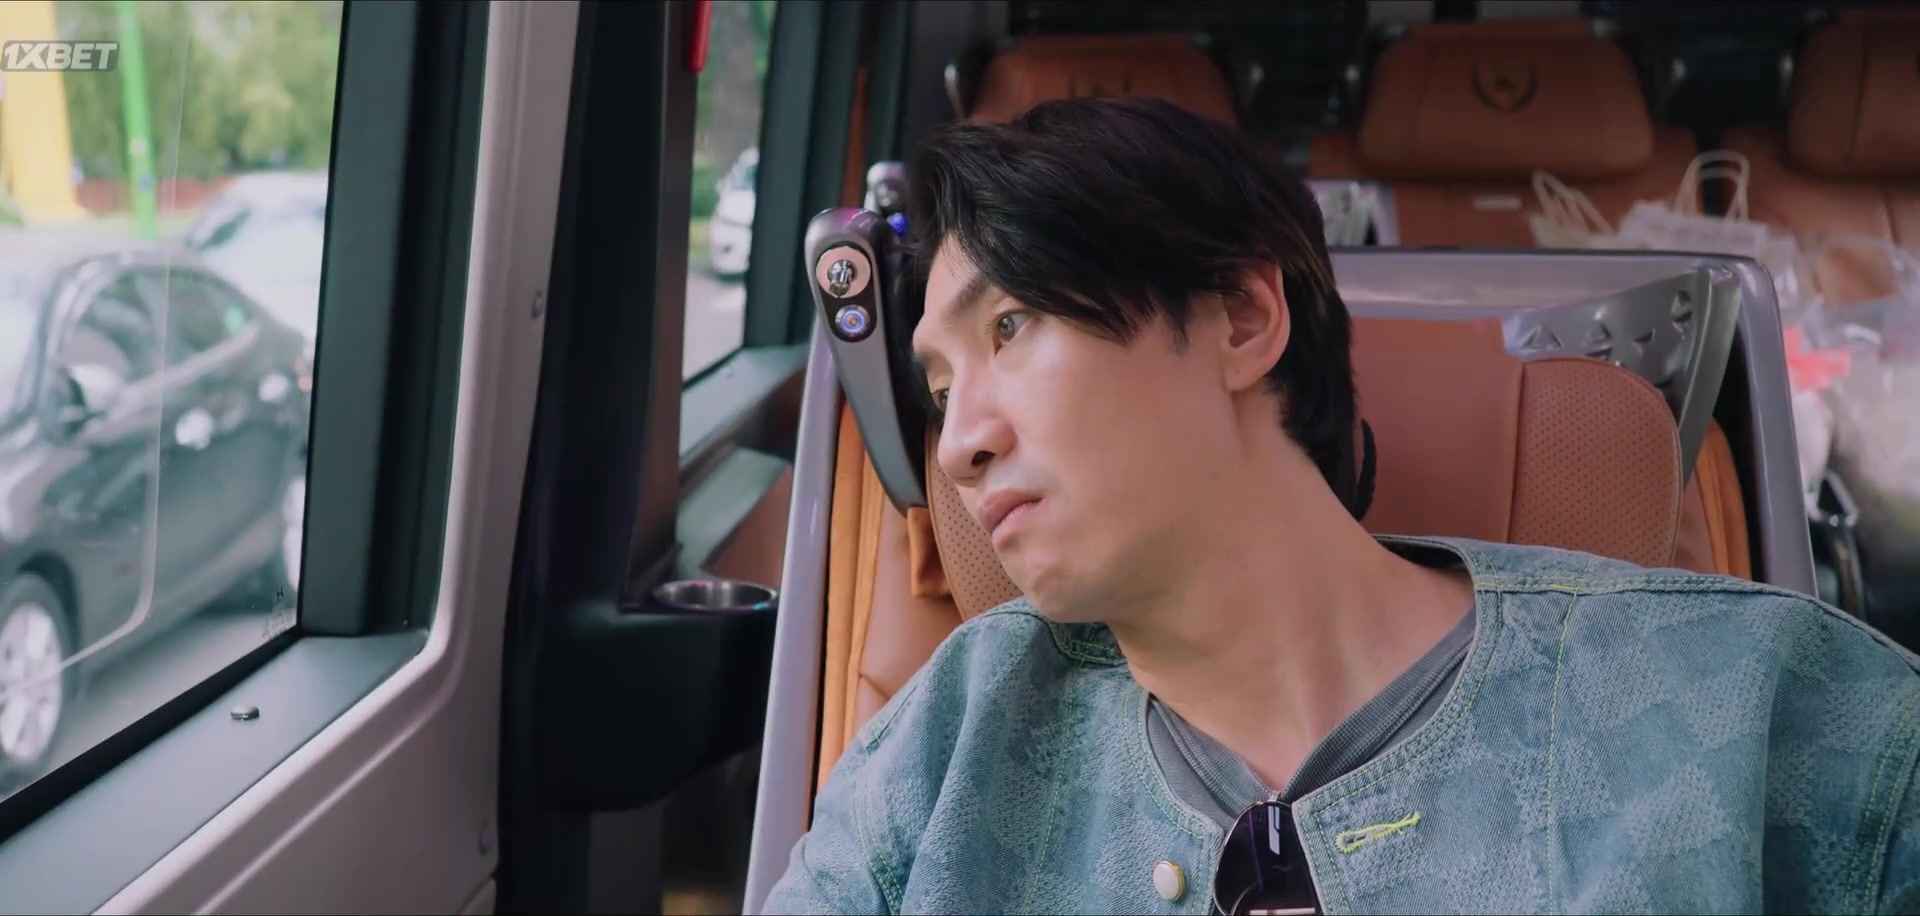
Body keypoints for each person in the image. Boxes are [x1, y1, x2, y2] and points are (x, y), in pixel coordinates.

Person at [762, 96, 1920, 915]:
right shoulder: (947, 747)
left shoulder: (1761, 710)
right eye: (940, 389)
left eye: (1012, 326)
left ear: (1242, 318)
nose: (960, 443)